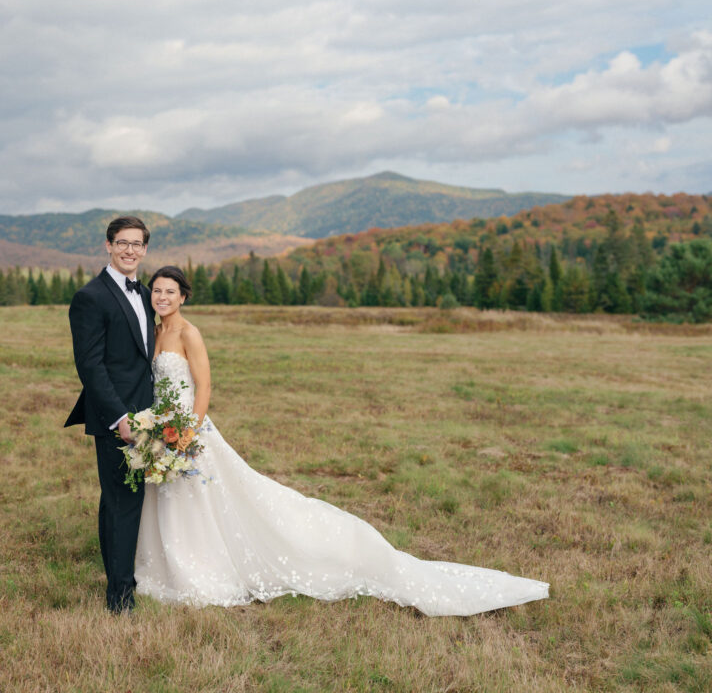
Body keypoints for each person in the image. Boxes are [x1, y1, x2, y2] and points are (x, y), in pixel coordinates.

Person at [134, 265, 549, 616]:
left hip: (191, 432)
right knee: (173, 498)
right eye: (157, 291)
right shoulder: (153, 332)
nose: (163, 297)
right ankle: (172, 569)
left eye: (171, 291)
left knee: (210, 500)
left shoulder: (189, 333)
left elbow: (204, 389)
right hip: (163, 429)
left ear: (184, 297)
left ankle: (209, 569)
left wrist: (187, 433)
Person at [65, 215, 156, 614]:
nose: (130, 250)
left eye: (137, 244)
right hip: (117, 419)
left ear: (145, 250)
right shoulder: (91, 297)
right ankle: (120, 598)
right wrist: (120, 417)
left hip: (149, 414)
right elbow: (91, 366)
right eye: (123, 243)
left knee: (123, 501)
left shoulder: (148, 292)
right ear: (108, 245)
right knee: (122, 502)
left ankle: (125, 580)